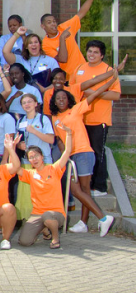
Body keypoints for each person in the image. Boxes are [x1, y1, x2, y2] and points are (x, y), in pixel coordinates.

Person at [50, 71, 119, 236]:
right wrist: (64, 157)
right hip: (71, 156)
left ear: (69, 100)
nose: (61, 100)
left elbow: (95, 94)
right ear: (54, 101)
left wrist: (112, 80)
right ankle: (85, 223)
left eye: (64, 98)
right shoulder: (54, 118)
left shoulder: (76, 109)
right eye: (58, 98)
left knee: (82, 189)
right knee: (79, 190)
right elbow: (59, 140)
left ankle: (100, 219)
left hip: (84, 153)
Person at [70, 41, 123, 197]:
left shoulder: (108, 70)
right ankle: (85, 185)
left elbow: (116, 95)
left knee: (98, 152)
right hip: (80, 119)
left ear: (102, 55)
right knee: (82, 153)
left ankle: (100, 186)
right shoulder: (79, 69)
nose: (91, 55)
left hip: (99, 120)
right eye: (89, 51)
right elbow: (73, 90)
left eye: (95, 52)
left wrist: (94, 93)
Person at [16, 127, 74, 249]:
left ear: (42, 156)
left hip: (56, 213)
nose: (34, 159)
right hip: (37, 214)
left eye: (36, 156)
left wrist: (68, 134)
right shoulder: (30, 174)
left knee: (47, 216)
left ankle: (55, 238)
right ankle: (45, 231)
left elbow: (67, 151)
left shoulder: (54, 169)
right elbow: (15, 167)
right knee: (24, 241)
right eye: (31, 157)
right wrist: (12, 148)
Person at [41, 0, 107, 78]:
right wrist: (62, 38)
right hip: (67, 78)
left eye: (54, 21)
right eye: (49, 22)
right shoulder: (45, 44)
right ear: (43, 26)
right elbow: (63, 59)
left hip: (83, 72)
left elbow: (81, 14)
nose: (53, 24)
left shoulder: (64, 27)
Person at [15, 94, 55, 221]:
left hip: (44, 163)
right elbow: (18, 139)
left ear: (36, 103)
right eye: (24, 103)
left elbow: (51, 139)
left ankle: (47, 222)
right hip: (27, 163)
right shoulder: (20, 121)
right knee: (27, 195)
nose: (27, 104)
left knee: (43, 194)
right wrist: (19, 145)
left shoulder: (43, 119)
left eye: (29, 102)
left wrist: (35, 132)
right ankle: (28, 220)